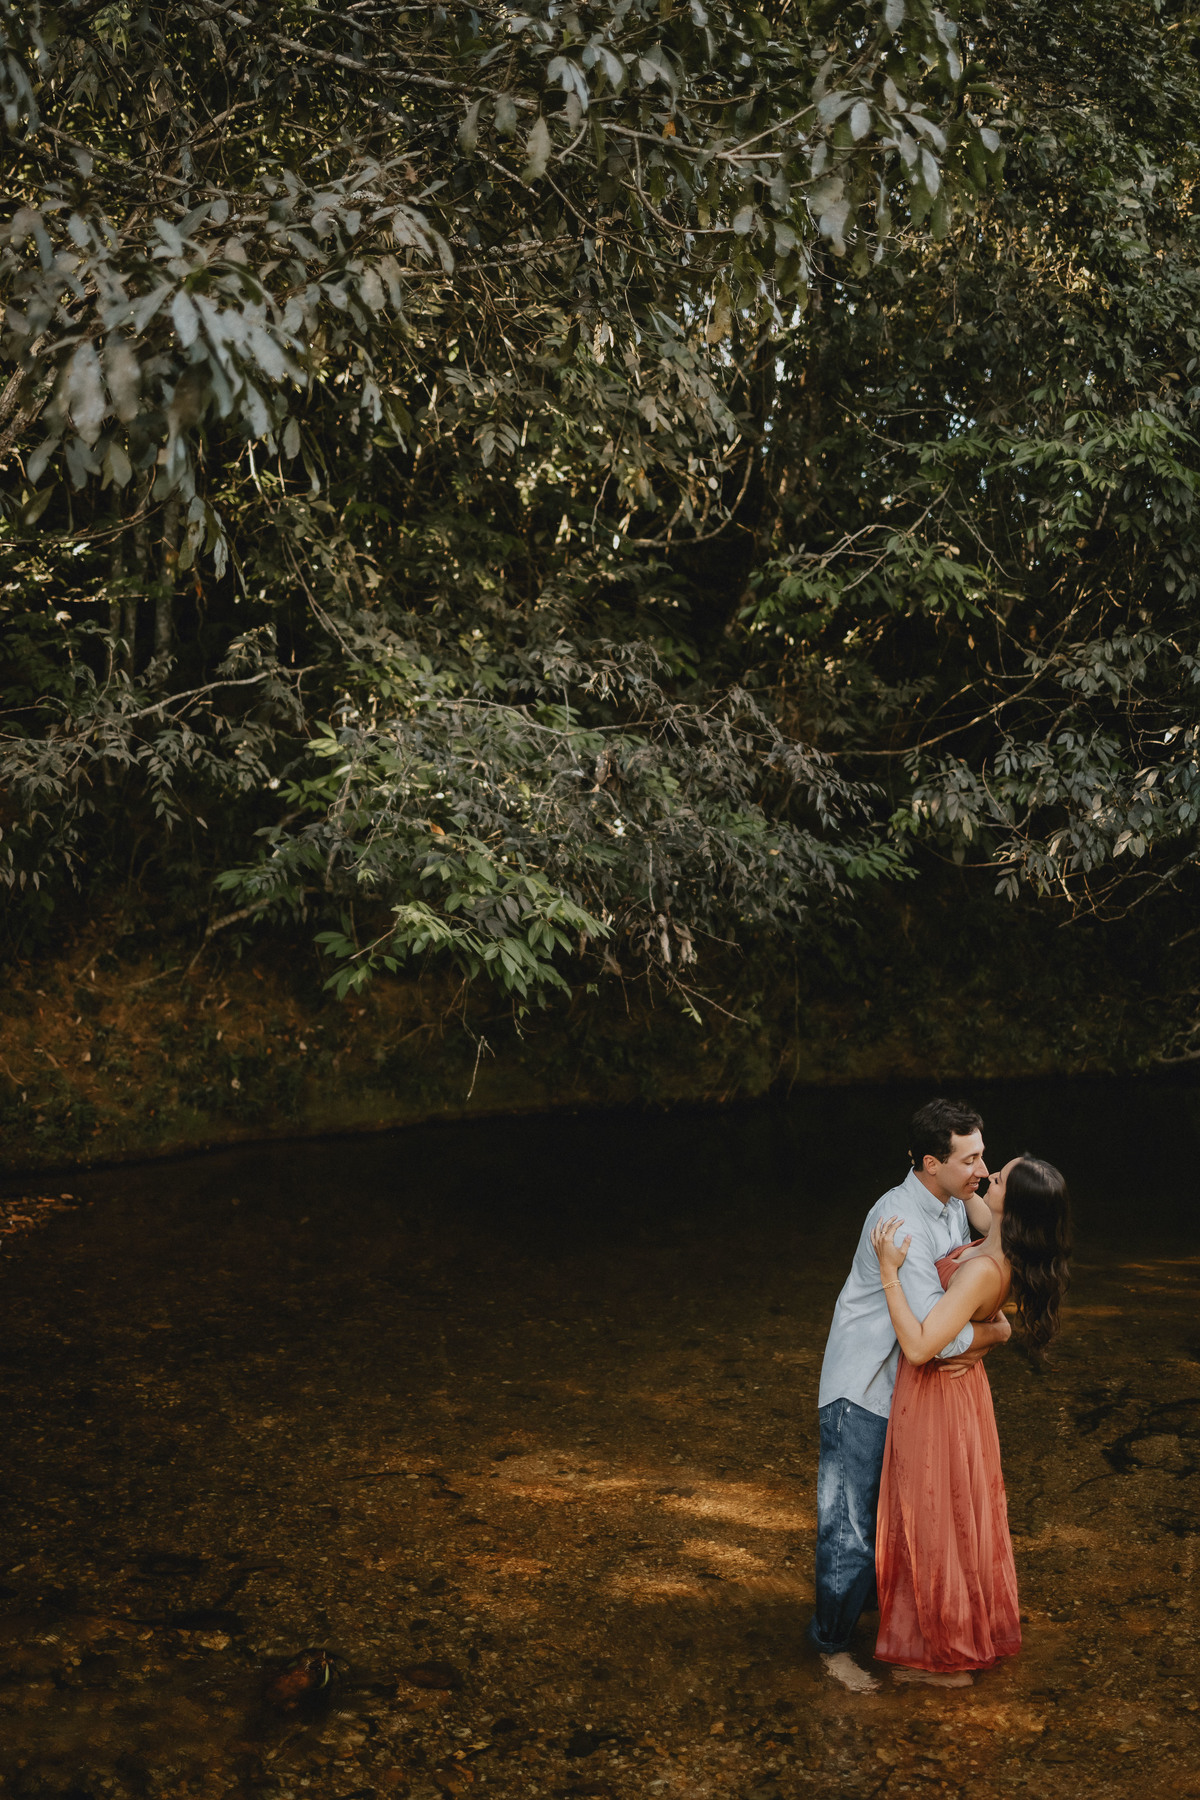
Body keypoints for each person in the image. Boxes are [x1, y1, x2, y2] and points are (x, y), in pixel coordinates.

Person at [808, 1098, 1010, 1693]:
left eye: (983, 1155)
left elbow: (989, 1245)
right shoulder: (898, 1221)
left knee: (894, 1522)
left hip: (908, 1393)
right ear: (930, 1162)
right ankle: (830, 1648)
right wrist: (996, 1334)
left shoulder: (952, 1202)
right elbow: (932, 1337)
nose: (982, 1169)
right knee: (849, 1531)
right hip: (863, 1391)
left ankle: (886, 1632)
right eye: (970, 1159)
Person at [870, 1151, 1072, 1685]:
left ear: (1012, 1205)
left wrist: (889, 1273)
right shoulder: (997, 1245)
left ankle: (949, 1659)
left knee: (934, 1518)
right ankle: (959, 1633)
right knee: (957, 1514)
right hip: (962, 1394)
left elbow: (919, 1348)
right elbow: (974, 1202)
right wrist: (996, 1332)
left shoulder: (984, 1269)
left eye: (997, 1177)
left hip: (937, 1396)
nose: (986, 1176)